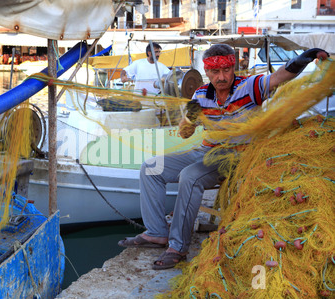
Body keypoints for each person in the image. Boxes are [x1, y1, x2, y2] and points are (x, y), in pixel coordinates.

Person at [118, 44, 330, 270]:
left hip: (237, 155)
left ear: (234, 67)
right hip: (206, 151)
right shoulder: (200, 95)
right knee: (151, 167)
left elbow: (279, 77)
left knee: (190, 176)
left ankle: (177, 247)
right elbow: (185, 130)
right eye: (215, 72)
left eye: (226, 70)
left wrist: (303, 59)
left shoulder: (249, 87)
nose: (221, 77)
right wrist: (188, 121)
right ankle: (157, 232)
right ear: (207, 72)